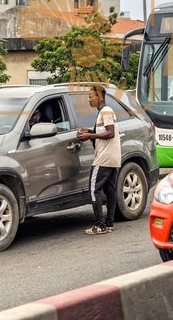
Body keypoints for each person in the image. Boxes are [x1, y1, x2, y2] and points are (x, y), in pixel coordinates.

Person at [77, 84, 121, 235]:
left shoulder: (106, 111)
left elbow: (110, 133)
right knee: (110, 190)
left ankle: (100, 225)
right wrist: (89, 131)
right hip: (112, 158)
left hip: (103, 158)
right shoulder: (103, 112)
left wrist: (90, 136)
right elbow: (103, 130)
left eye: (90, 97)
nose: (89, 100)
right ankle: (109, 224)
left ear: (99, 96)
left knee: (93, 189)